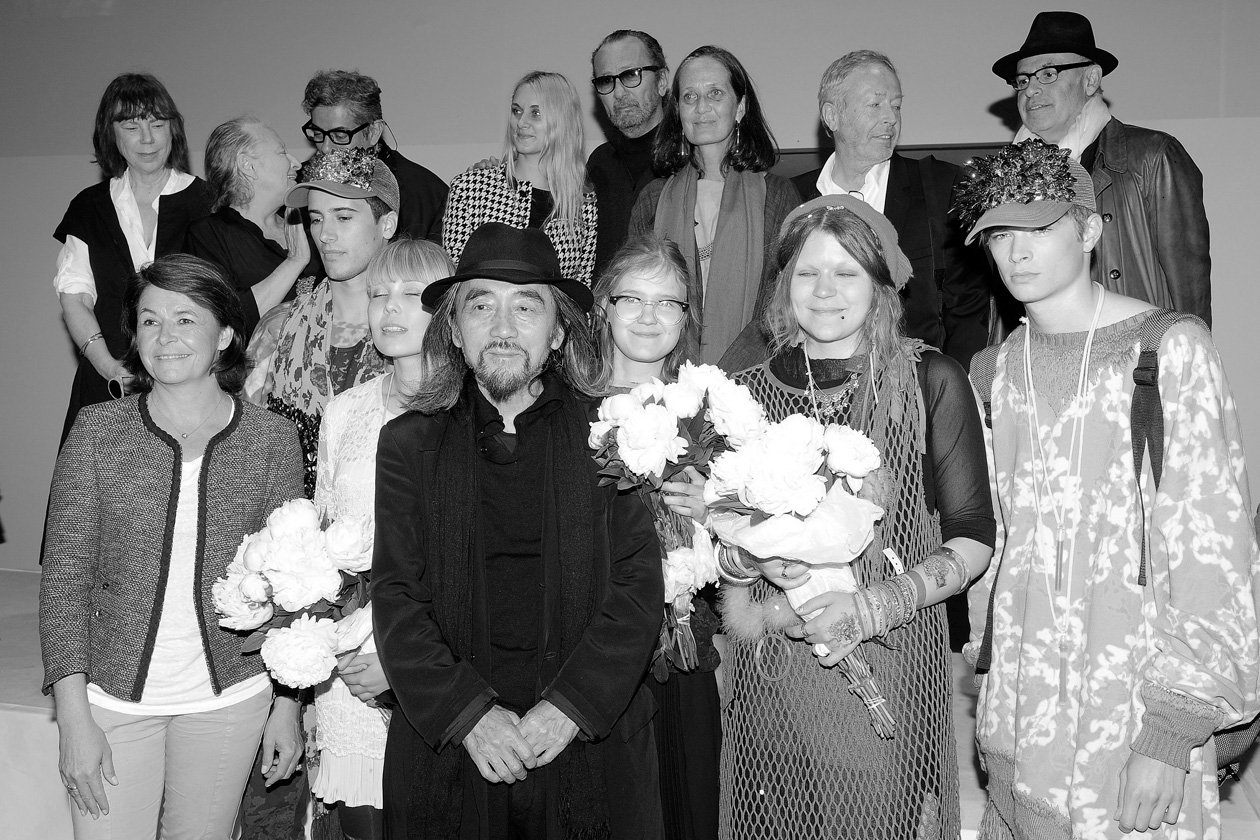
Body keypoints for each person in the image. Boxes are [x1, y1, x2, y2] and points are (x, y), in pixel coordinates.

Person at [959, 140, 1258, 839]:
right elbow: (998, 551)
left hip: (1131, 720)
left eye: (1039, 228)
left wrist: (1170, 734)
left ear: (1090, 230)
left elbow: (1213, 552)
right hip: (1018, 720)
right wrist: (990, 680)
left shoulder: (1167, 350)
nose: (1017, 252)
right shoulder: (994, 371)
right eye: (999, 234)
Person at [372, 222, 664, 839]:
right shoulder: (408, 444)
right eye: (481, 306)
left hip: (584, 736)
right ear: (454, 329)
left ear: (557, 331)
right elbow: (397, 596)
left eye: (525, 307)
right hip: (455, 746)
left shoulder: (610, 434)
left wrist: (569, 708)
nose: (502, 327)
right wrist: (470, 716)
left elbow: (638, 586)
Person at [717, 195, 995, 839]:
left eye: (846, 272)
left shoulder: (929, 380)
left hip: (891, 657)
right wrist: (752, 559)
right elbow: (720, 539)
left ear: (880, 283)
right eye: (807, 272)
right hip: (772, 664)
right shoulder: (745, 394)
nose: (824, 291)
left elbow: (975, 535)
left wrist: (873, 607)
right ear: (783, 282)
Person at [40, 254, 305, 838]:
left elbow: (291, 582)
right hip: (111, 699)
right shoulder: (97, 432)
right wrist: (72, 717)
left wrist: (289, 703)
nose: (165, 337)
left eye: (186, 319)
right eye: (150, 320)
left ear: (225, 335)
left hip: (231, 698)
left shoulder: (271, 439)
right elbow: (63, 581)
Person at [310, 239, 451, 840]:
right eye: (377, 294)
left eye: (411, 295)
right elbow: (320, 546)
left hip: (439, 664)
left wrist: (400, 663)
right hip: (349, 670)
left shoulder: (471, 413)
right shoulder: (344, 412)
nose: (390, 308)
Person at [590, 237, 718, 840]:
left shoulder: (713, 412)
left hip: (683, 650)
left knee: (683, 803)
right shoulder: (565, 406)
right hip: (590, 652)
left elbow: (750, 547)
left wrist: (717, 509)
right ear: (604, 307)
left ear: (686, 317)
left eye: (668, 303)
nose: (648, 317)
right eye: (632, 300)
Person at [993, 10, 1211, 323]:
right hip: (1038, 344)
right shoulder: (1005, 174)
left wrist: (1187, 346)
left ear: (1091, 79)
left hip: (1133, 344)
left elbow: (1189, 283)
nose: (1030, 89)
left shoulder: (1153, 155)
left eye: (1049, 74)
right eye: (1023, 80)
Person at [786, 50, 992, 371]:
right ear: (832, 115)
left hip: (918, 386)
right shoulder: (791, 198)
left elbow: (969, 310)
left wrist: (950, 387)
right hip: (815, 386)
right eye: (875, 104)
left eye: (896, 106)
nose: (891, 118)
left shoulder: (941, 187)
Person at [53, 73, 213, 441]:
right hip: (105, 386)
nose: (147, 139)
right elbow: (75, 299)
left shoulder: (208, 203)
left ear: (173, 129)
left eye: (157, 124)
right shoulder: (89, 207)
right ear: (111, 135)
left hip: (190, 392)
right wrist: (108, 367)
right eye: (131, 127)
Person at [629, 45, 801, 365]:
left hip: (754, 376)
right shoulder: (653, 199)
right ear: (678, 111)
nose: (701, 107)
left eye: (715, 94)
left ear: (740, 107)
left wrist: (728, 379)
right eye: (689, 96)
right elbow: (635, 297)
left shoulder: (777, 196)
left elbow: (784, 301)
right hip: (666, 374)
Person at [246, 147, 398, 497]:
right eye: (316, 219)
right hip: (287, 517)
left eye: (343, 217)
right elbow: (247, 444)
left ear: (386, 224)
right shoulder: (280, 327)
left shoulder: (419, 330)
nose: (325, 234)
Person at [443, 71, 598, 286]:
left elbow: (581, 287)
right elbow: (452, 280)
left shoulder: (583, 204)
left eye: (535, 113)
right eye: (517, 111)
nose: (521, 122)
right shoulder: (470, 188)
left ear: (562, 120)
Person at [186, 116, 322, 340]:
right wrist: (294, 262)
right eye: (282, 152)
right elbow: (226, 324)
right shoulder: (209, 236)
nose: (296, 163)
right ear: (247, 166)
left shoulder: (311, 222)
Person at [301, 69, 448, 243]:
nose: (325, 148)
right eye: (318, 134)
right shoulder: (299, 183)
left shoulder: (425, 194)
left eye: (340, 136)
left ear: (374, 131)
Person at [587, 31, 670, 274]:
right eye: (606, 81)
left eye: (631, 75)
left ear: (662, 81)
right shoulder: (598, 165)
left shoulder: (691, 161)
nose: (619, 93)